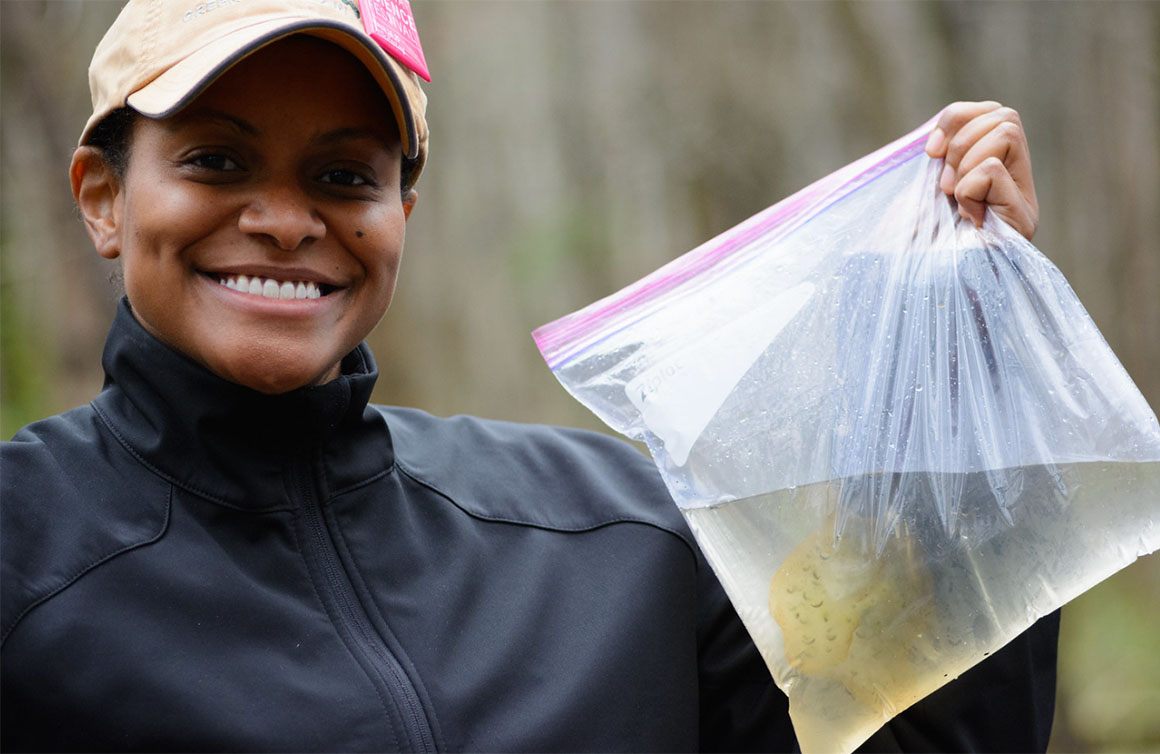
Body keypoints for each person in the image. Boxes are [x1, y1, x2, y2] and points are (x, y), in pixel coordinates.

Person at [0, 1, 1058, 751]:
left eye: (343, 174)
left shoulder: (621, 535)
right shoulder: (22, 548)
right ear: (102, 195)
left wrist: (956, 358)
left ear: (398, 215)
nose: (285, 220)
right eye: (217, 162)